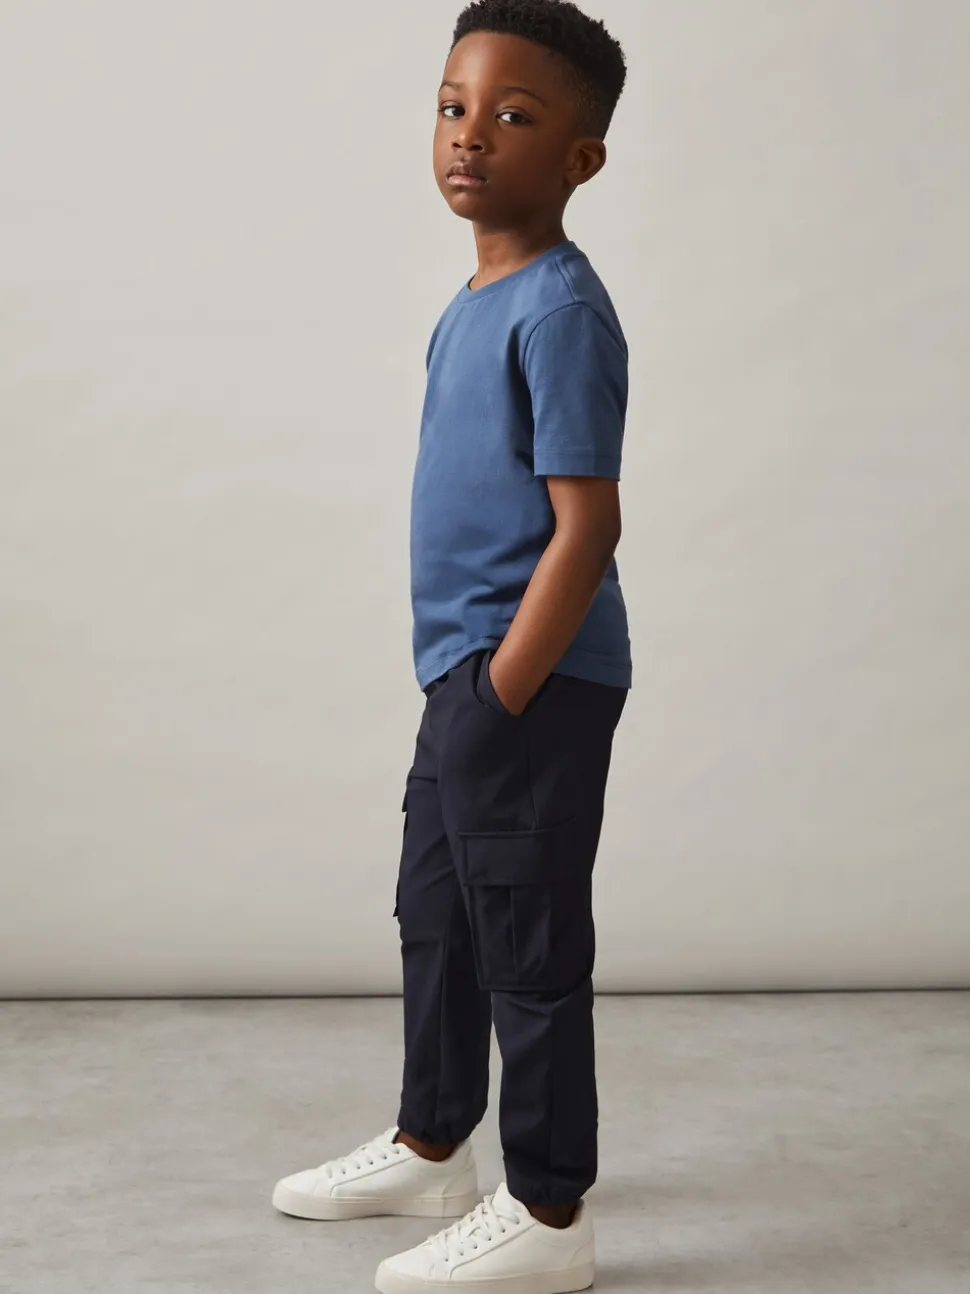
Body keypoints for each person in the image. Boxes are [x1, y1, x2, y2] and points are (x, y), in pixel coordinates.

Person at [273, 2, 631, 1289]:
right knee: (437, 914)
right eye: (452, 106)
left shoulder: (562, 311)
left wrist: (504, 687)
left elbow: (588, 524)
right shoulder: (474, 297)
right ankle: (434, 1145)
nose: (470, 135)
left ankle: (548, 1215)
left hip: (531, 679)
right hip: (464, 678)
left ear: (579, 159)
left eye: (512, 116)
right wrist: (465, 688)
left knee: (527, 942)